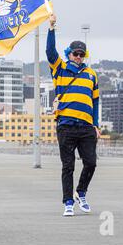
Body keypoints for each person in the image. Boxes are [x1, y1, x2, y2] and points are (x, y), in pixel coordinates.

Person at [46, 14, 101, 217]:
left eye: (82, 54)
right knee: (68, 166)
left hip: (86, 126)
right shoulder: (59, 69)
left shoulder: (92, 74)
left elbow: (95, 101)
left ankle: (81, 192)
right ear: (69, 54)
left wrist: (95, 124)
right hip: (66, 125)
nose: (78, 57)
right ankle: (68, 202)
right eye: (75, 54)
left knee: (91, 163)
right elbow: (50, 51)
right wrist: (51, 28)